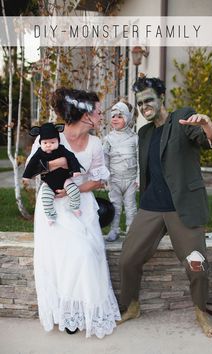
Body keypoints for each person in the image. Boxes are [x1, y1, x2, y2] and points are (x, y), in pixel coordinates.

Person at [118, 76, 212, 337]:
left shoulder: (183, 118)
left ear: (162, 97)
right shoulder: (144, 132)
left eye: (149, 99)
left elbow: (203, 139)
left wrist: (208, 126)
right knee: (127, 259)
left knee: (196, 265)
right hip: (152, 206)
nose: (144, 106)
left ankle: (201, 311)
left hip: (182, 206)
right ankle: (132, 306)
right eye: (140, 103)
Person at [28, 88, 120, 338]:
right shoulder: (50, 137)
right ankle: (67, 315)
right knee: (60, 261)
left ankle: (84, 311)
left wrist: (72, 188)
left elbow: (99, 181)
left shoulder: (96, 143)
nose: (102, 116)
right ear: (85, 114)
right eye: (99, 111)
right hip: (53, 209)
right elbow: (33, 168)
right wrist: (56, 173)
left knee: (85, 255)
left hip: (81, 206)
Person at [22, 122, 84, 224]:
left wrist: (76, 170)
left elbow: (72, 158)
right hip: (48, 181)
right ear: (41, 143)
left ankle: (75, 206)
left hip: (64, 179)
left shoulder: (62, 149)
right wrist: (26, 176)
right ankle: (51, 216)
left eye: (52, 142)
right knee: (46, 199)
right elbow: (32, 163)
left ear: (58, 141)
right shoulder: (39, 152)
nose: (48, 145)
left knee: (74, 190)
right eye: (45, 143)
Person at [103, 99, 139, 242]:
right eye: (113, 116)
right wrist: (105, 176)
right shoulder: (108, 139)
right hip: (114, 179)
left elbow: (139, 158)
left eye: (119, 116)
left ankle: (131, 230)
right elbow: (104, 158)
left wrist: (138, 178)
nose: (115, 119)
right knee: (115, 206)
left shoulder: (134, 138)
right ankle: (114, 229)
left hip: (130, 180)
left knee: (131, 207)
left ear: (127, 118)